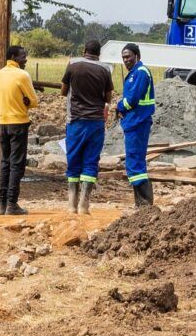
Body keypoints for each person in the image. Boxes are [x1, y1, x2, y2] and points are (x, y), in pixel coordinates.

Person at [61, 39, 114, 214]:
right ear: (99, 53)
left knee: (73, 160)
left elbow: (63, 91)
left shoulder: (73, 64)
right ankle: (84, 205)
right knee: (91, 162)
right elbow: (108, 98)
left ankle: (71, 205)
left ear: (84, 50)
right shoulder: (105, 69)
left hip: (75, 121)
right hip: (96, 123)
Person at [0, 43, 38, 216]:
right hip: (19, 123)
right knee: (17, 164)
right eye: (23, 56)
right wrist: (26, 101)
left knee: (5, 163)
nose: (25, 59)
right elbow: (34, 101)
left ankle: (1, 204)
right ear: (14, 58)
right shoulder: (22, 75)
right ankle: (12, 203)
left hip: (3, 123)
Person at [115, 42, 157, 210]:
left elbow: (131, 100)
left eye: (128, 57)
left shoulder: (140, 73)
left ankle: (144, 204)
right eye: (123, 58)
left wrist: (118, 106)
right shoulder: (135, 73)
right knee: (134, 161)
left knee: (135, 162)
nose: (126, 60)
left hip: (138, 122)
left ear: (137, 56)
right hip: (134, 122)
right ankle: (141, 204)